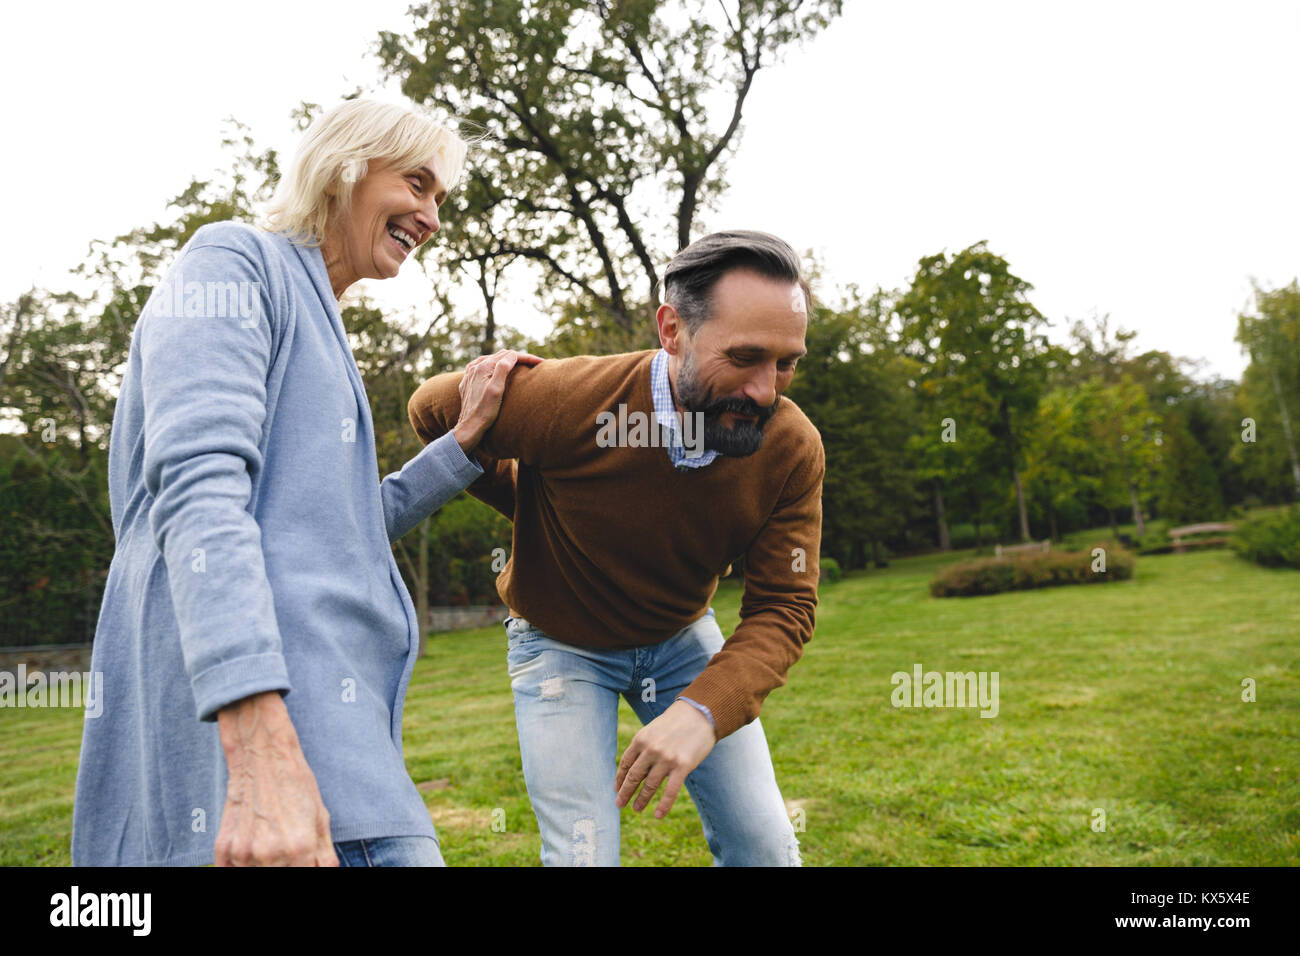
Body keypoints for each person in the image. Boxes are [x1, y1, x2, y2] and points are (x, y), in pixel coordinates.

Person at [71, 98, 539, 867]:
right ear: (346, 166)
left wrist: (460, 446)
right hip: (263, 743)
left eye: (439, 200)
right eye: (416, 183)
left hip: (346, 751)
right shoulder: (232, 263)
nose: (430, 215)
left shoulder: (321, 320)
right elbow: (198, 489)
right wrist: (258, 744)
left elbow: (339, 522)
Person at [407, 230, 824, 866]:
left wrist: (702, 713)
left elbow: (784, 607)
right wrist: (528, 502)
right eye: (743, 357)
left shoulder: (790, 447)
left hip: (682, 637)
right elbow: (433, 410)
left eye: (786, 361)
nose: (766, 391)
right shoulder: (568, 402)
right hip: (558, 644)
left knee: (767, 848)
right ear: (673, 330)